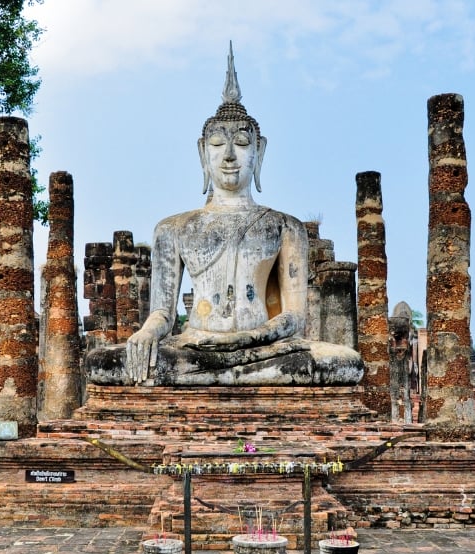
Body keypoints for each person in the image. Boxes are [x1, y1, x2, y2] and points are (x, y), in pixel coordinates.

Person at [85, 45, 363, 387]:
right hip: (195, 346)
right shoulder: (173, 228)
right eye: (217, 144)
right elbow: (162, 314)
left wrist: (248, 339)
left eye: (242, 144)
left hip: (264, 349)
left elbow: (294, 316)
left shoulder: (285, 227)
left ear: (260, 151)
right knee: (103, 364)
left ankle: (227, 373)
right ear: (203, 153)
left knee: (345, 363)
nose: (229, 155)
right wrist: (147, 332)